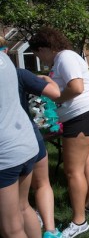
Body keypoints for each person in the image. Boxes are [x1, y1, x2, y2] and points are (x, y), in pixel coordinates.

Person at [29, 27, 89, 238]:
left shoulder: (64, 57)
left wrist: (58, 98)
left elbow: (77, 88)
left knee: (72, 171)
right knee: (85, 164)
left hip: (81, 116)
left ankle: (79, 221)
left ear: (44, 48)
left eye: (38, 54)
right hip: (84, 115)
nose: (40, 59)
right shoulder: (64, 59)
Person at [16, 68, 63, 238]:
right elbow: (55, 93)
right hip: (30, 137)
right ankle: (51, 231)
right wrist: (46, 79)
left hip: (8, 145)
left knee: (19, 203)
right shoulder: (19, 73)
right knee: (42, 184)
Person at [0, 50, 42, 238]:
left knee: (12, 228)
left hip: (5, 153)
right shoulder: (4, 58)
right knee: (24, 207)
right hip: (24, 141)